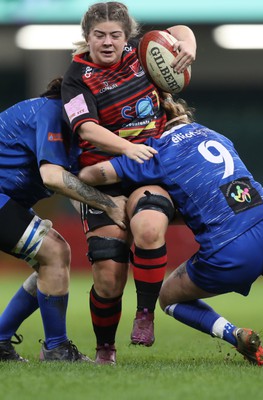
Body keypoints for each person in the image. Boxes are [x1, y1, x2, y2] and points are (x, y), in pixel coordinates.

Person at [78, 92, 263, 366]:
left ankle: (235, 334)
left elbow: (90, 175)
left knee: (168, 298)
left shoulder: (153, 151)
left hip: (232, 248)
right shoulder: (214, 134)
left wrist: (120, 154)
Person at [61, 1, 196, 364]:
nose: (107, 42)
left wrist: (188, 47)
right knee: (108, 277)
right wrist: (126, 148)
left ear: (127, 37)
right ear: (87, 37)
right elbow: (86, 128)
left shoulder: (141, 53)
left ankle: (146, 314)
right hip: (100, 178)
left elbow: (181, 31)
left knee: (150, 228)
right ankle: (105, 350)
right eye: (99, 35)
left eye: (115, 35)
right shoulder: (77, 77)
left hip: (145, 170)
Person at [0, 76, 129, 362]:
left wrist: (96, 224)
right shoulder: (54, 113)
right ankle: (56, 349)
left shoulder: (69, 123)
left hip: (8, 199)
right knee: (54, 253)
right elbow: (54, 177)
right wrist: (108, 205)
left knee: (52, 258)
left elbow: (71, 182)